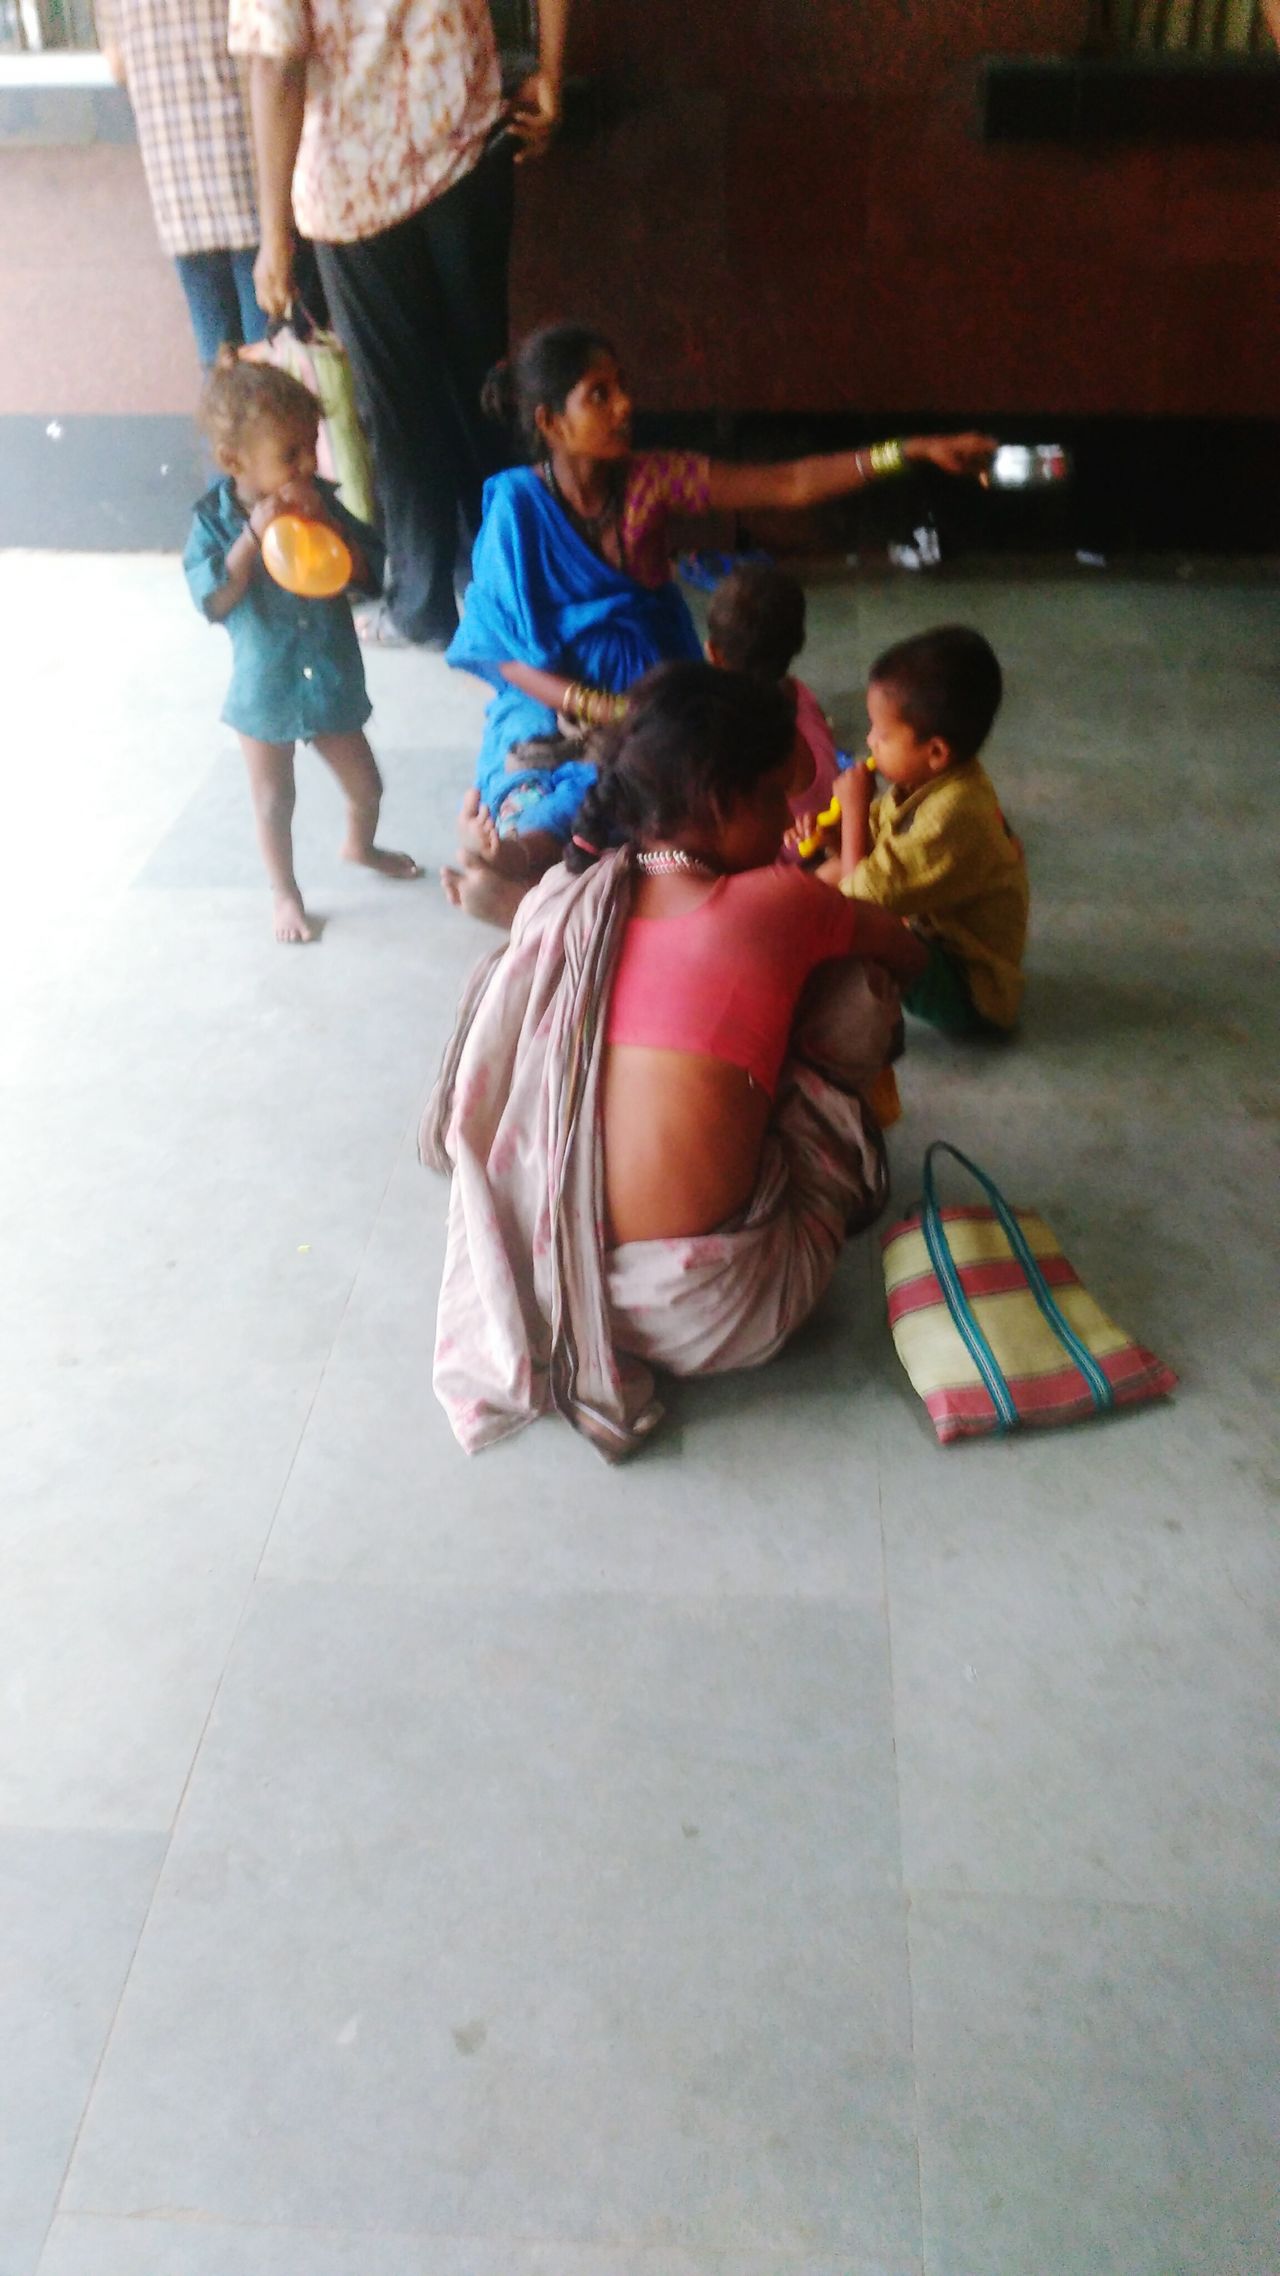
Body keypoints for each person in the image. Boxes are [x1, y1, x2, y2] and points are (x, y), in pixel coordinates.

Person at [422, 662, 927, 1458]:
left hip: (571, 1280)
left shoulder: (579, 891)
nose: (782, 821)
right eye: (772, 801)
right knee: (849, 992)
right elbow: (903, 950)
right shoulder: (779, 902)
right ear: (724, 803)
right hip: (730, 1308)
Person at [442, 320, 995, 923]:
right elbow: (503, 651)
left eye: (621, 386)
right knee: (536, 777)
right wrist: (597, 709)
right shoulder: (516, 505)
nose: (625, 405)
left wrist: (909, 451)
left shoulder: (650, 483)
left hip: (652, 684)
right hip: (549, 691)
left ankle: (529, 888)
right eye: (599, 394)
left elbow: (788, 485)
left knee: (646, 792)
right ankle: (514, 862)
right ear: (551, 423)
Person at [231, 0, 569, 648]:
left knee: (398, 406)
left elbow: (277, 63)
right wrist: (551, 70)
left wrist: (274, 235)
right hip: (468, 147)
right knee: (484, 386)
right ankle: (507, 586)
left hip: (356, 185)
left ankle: (421, 604)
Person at [184, 351, 421, 943]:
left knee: (368, 785)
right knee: (273, 798)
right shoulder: (213, 524)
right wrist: (250, 538)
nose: (307, 464)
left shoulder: (322, 502)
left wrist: (334, 527)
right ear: (234, 461)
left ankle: (358, 845)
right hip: (264, 689)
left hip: (331, 677)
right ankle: (285, 892)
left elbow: (368, 576)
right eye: (290, 453)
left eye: (310, 446)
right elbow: (213, 601)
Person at [806, 625, 1029, 1034]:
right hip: (934, 933)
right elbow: (872, 851)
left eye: (884, 734)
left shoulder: (955, 815)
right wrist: (834, 834)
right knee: (833, 877)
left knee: (867, 927)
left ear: (936, 752)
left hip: (974, 995)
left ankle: (813, 983)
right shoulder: (925, 781)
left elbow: (864, 901)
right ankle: (784, 928)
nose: (870, 741)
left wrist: (854, 813)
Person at [96, 0, 266, 367]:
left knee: (217, 355)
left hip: (177, 183)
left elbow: (117, 63)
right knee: (271, 355)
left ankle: (225, 419)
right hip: (253, 173)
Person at [705, 562, 841, 844]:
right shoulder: (795, 691)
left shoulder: (746, 739)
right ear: (797, 643)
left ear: (713, 653)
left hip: (799, 854)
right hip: (826, 822)